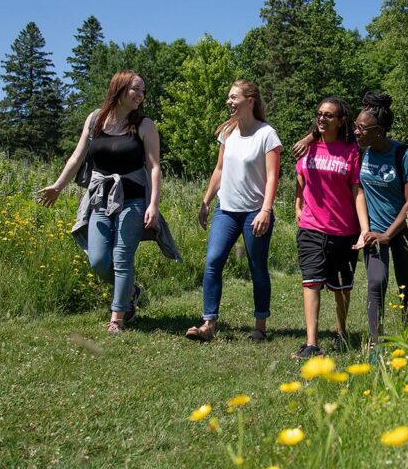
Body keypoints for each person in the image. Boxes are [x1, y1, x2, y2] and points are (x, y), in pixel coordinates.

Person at [37, 70, 181, 334]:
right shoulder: (95, 119)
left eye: (143, 91)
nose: (140, 95)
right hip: (100, 199)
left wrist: (154, 205)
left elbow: (154, 168)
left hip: (134, 200)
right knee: (99, 260)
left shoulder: (145, 125)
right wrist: (58, 186)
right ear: (119, 89)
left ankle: (117, 317)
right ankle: (131, 291)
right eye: (135, 89)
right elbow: (77, 157)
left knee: (122, 257)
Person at [186, 80, 282, 343]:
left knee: (257, 267)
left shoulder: (267, 134)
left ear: (250, 101)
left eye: (234, 97)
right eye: (228, 98)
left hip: (255, 212)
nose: (229, 102)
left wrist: (266, 209)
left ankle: (260, 325)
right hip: (226, 210)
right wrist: (206, 200)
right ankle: (208, 324)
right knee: (213, 261)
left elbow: (273, 177)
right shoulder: (227, 133)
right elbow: (219, 170)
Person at [291, 97, 368, 359]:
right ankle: (311, 342)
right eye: (319, 114)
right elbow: (300, 178)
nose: (322, 119)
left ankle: (341, 332)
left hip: (344, 230)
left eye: (329, 115)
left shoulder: (351, 151)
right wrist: (298, 203)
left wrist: (363, 228)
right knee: (311, 282)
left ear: (341, 120)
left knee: (341, 287)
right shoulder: (307, 149)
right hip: (312, 227)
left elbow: (357, 191)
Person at [352, 92, 408, 348]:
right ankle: (375, 342)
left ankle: (407, 335)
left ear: (379, 131)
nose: (356, 132)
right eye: (355, 127)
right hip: (373, 231)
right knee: (376, 282)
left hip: (403, 231)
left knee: (406, 286)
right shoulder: (362, 152)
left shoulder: (404, 155)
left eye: (362, 128)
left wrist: (388, 235)